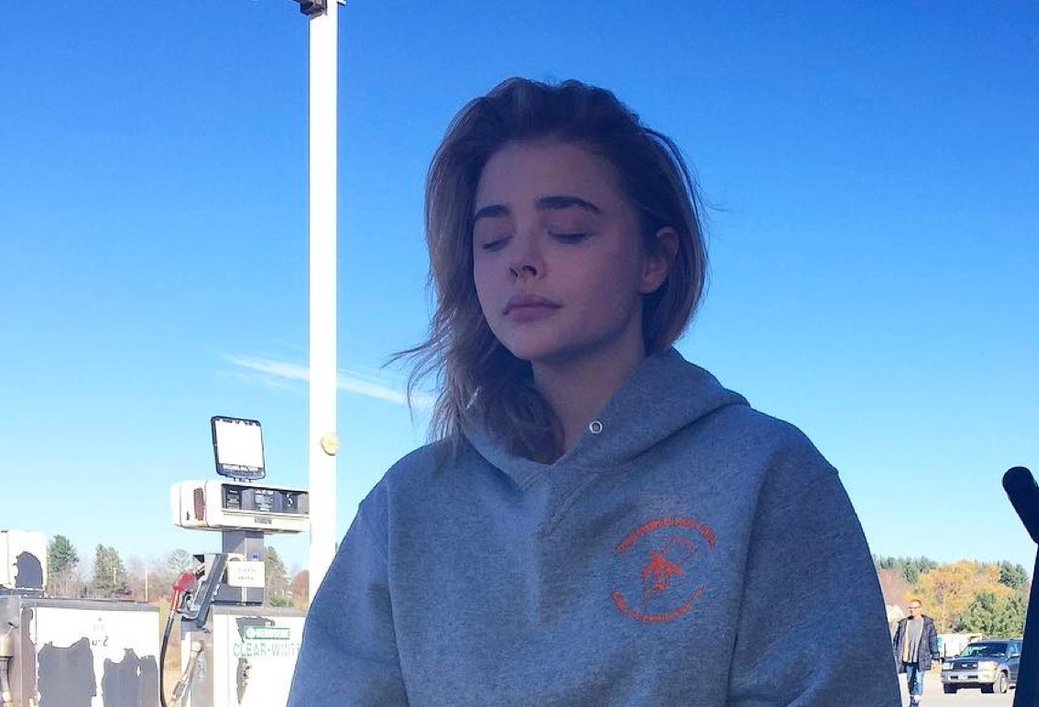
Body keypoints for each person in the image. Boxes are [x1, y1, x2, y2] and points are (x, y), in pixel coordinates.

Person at [287, 77, 899, 706]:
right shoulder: (407, 506)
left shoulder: (767, 476)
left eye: (568, 230)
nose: (520, 259)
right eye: (492, 239)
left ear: (654, 260)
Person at [893, 598, 939, 707]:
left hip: (921, 658)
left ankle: (916, 701)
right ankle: (912, 699)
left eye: (914, 608)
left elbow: (933, 641)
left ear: (920, 608)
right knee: (910, 681)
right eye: (910, 608)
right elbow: (896, 641)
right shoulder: (904, 623)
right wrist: (894, 654)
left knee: (918, 680)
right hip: (908, 657)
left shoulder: (927, 624)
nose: (912, 610)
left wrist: (936, 657)